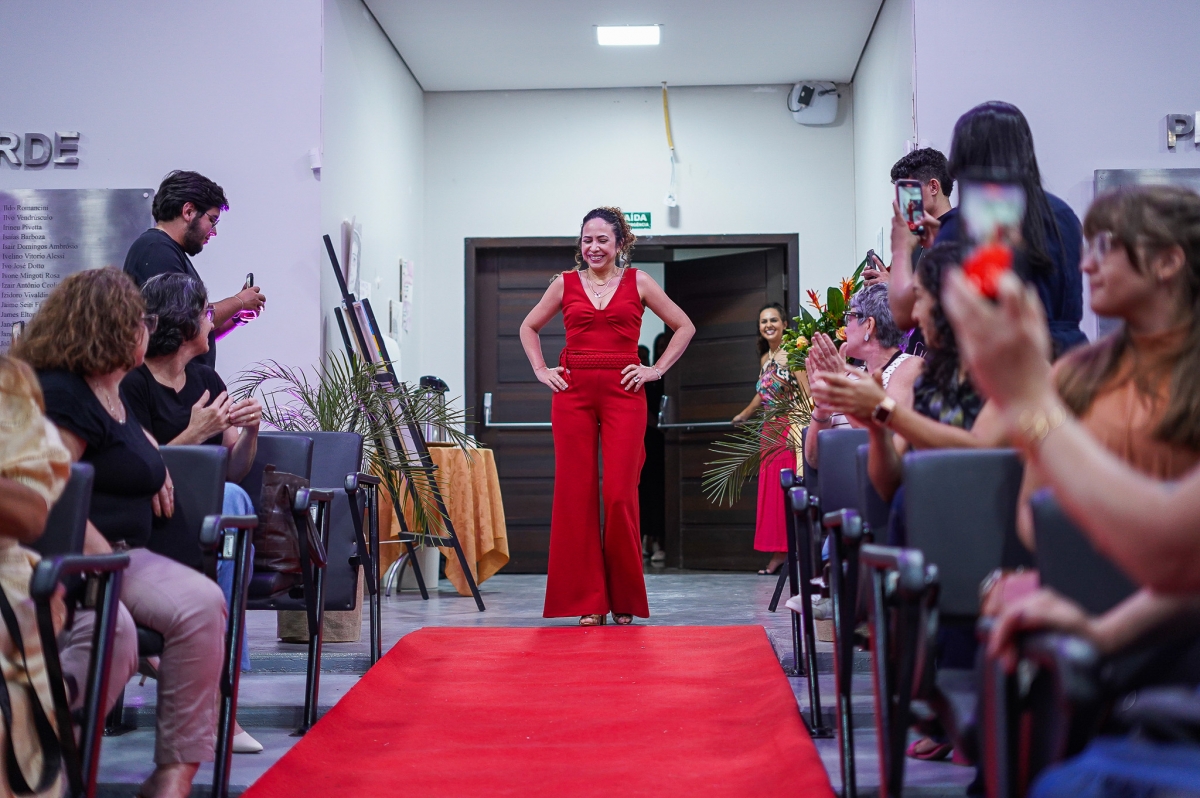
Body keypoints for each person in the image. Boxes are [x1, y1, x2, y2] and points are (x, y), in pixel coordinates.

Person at [943, 231, 1200, 798]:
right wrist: (1101, 630)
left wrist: (1030, 402)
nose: (1085, 265)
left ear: (1169, 263)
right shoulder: (1082, 372)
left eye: (1107, 246)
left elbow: (1173, 552)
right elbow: (1035, 516)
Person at [14, 267, 227, 798]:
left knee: (204, 603)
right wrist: (100, 559)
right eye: (140, 322)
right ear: (109, 327)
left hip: (127, 554)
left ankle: (172, 778)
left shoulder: (110, 389)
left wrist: (156, 463)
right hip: (76, 557)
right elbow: (55, 491)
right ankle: (46, 760)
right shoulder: (64, 394)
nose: (147, 331)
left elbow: (131, 447)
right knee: (117, 629)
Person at [520, 207, 695, 626]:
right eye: (587, 240)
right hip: (572, 394)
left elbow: (684, 326)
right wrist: (541, 369)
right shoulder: (564, 284)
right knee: (575, 494)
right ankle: (588, 600)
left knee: (619, 494)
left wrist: (655, 370)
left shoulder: (640, 282)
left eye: (602, 239)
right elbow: (528, 327)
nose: (593, 247)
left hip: (625, 393)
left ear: (620, 243)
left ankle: (624, 597)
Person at [121, 272, 264, 754]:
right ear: (184, 325)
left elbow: (234, 467)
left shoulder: (206, 379)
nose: (212, 322)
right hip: (153, 515)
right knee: (231, 506)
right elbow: (137, 467)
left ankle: (213, 689)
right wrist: (195, 432)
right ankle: (219, 700)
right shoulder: (133, 384)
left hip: (207, 518)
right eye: (205, 313)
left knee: (232, 501)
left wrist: (250, 432)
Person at [812, 244, 1006, 509]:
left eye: (920, 300)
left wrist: (883, 411)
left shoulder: (1000, 373)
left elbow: (979, 451)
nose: (914, 315)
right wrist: (875, 427)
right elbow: (888, 485)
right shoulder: (931, 377)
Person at [898, 103, 1086, 357]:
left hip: (1007, 363)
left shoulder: (966, 223)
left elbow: (907, 314)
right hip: (1071, 361)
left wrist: (901, 248)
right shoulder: (1063, 215)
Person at [123, 170, 266, 369]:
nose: (214, 232)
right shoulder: (156, 250)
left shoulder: (165, 250)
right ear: (188, 211)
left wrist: (237, 317)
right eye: (212, 220)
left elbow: (197, 333)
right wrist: (239, 301)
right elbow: (187, 322)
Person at [803, 284, 924, 471]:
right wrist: (822, 406)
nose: (845, 329)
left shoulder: (909, 367)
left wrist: (842, 393)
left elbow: (886, 434)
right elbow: (814, 460)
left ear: (869, 325)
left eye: (849, 318)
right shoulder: (847, 376)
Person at [731, 303, 800, 575]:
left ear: (784, 324)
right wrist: (745, 414)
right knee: (772, 494)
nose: (768, 325)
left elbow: (807, 393)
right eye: (763, 321)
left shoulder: (794, 354)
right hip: (769, 431)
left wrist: (799, 428)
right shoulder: (765, 358)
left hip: (788, 429)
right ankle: (779, 553)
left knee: (787, 491)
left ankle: (794, 551)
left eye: (773, 320)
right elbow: (763, 393)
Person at [869, 147, 956, 356]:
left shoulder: (957, 232)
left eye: (908, 193)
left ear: (933, 186)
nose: (903, 203)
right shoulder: (916, 239)